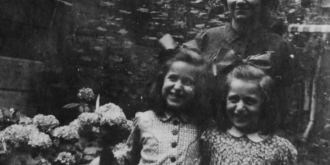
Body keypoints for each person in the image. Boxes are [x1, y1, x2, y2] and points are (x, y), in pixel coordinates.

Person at [184, 0, 297, 127]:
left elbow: (286, 103)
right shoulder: (207, 39)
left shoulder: (280, 47)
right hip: (209, 132)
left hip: (259, 138)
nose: (240, 2)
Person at [123, 36, 212, 165]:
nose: (177, 87)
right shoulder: (145, 120)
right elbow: (129, 158)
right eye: (173, 78)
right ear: (162, 80)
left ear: (198, 89)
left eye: (187, 82)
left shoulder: (202, 125)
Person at [201, 64, 297, 165]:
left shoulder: (280, 148)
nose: (239, 108)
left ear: (264, 105)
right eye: (234, 100)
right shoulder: (212, 138)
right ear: (225, 100)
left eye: (249, 101)